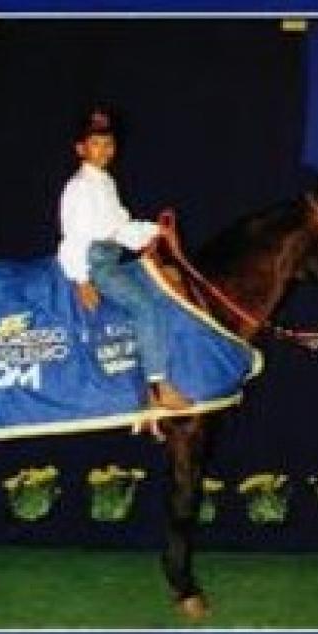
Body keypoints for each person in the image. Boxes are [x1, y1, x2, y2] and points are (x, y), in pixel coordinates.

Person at [57, 108, 192, 410]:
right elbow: (73, 236)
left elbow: (119, 228)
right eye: (95, 144)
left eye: (108, 144)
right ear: (80, 149)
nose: (103, 150)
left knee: (163, 288)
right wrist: (82, 279)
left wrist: (155, 230)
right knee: (143, 305)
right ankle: (159, 387)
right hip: (96, 261)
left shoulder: (105, 183)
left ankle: (156, 378)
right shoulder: (78, 187)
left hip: (111, 255)